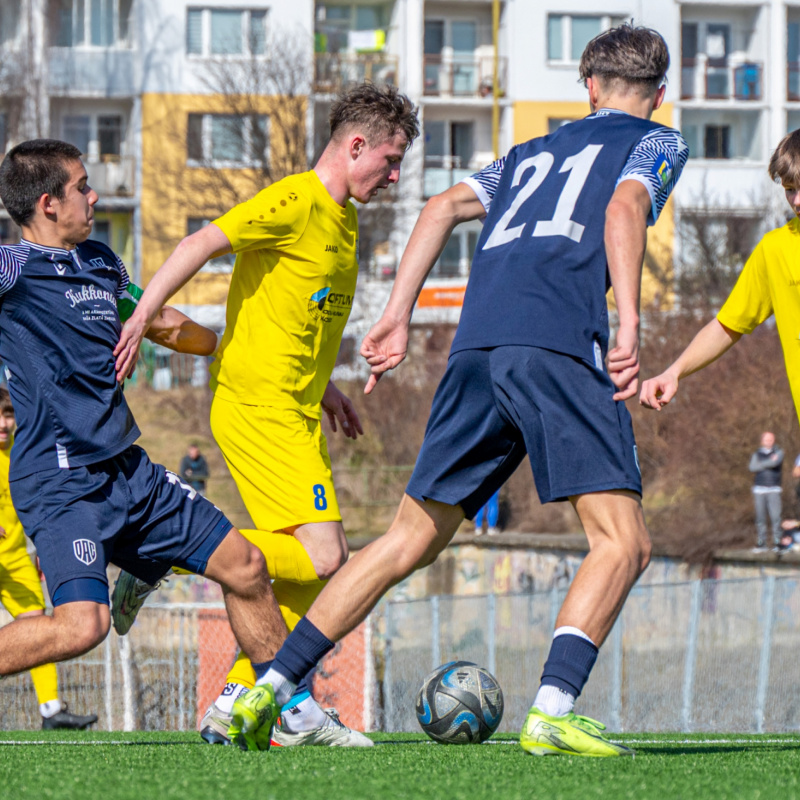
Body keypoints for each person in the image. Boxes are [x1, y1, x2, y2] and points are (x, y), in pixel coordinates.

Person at [192, 25, 687, 755]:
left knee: (405, 541)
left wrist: (396, 316)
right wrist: (631, 324)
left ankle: (266, 691)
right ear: (661, 93)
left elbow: (439, 209)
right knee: (623, 541)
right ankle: (551, 708)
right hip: (556, 342)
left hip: (476, 348)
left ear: (587, 85)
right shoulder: (659, 142)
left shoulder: (529, 152)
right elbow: (621, 210)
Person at [112, 83, 420, 748]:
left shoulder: (345, 219)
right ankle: (175, 552)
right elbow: (202, 241)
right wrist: (141, 314)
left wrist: (326, 384)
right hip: (259, 406)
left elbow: (300, 315)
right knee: (329, 556)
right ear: (355, 144)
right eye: (390, 160)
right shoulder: (294, 199)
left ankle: (243, 697)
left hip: (294, 405)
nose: (394, 176)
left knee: (312, 569)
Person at [0, 139, 288, 752]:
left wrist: (234, 351)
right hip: (61, 481)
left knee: (248, 568)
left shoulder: (103, 262)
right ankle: (137, 569)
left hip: (130, 472)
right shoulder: (11, 269)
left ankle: (294, 712)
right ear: (48, 204)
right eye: (82, 186)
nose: (94, 195)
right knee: (85, 626)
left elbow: (160, 322)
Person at [640, 129, 800, 543]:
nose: (796, 200)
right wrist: (675, 371)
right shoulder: (773, 250)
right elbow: (728, 325)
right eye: (789, 190)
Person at [0, 387, 98, 729]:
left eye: (8, 415)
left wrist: (47, 545)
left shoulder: (23, 456)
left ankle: (51, 710)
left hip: (15, 561)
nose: (3, 423)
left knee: (36, 629)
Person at [748, 432, 783, 551]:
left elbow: (775, 463)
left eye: (771, 439)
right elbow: (752, 467)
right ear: (762, 441)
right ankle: (761, 542)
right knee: (760, 518)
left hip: (774, 488)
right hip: (759, 489)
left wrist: (761, 464)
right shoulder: (756, 454)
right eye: (767, 439)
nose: (769, 441)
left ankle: (777, 541)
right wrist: (768, 462)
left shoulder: (779, 452)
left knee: (775, 517)